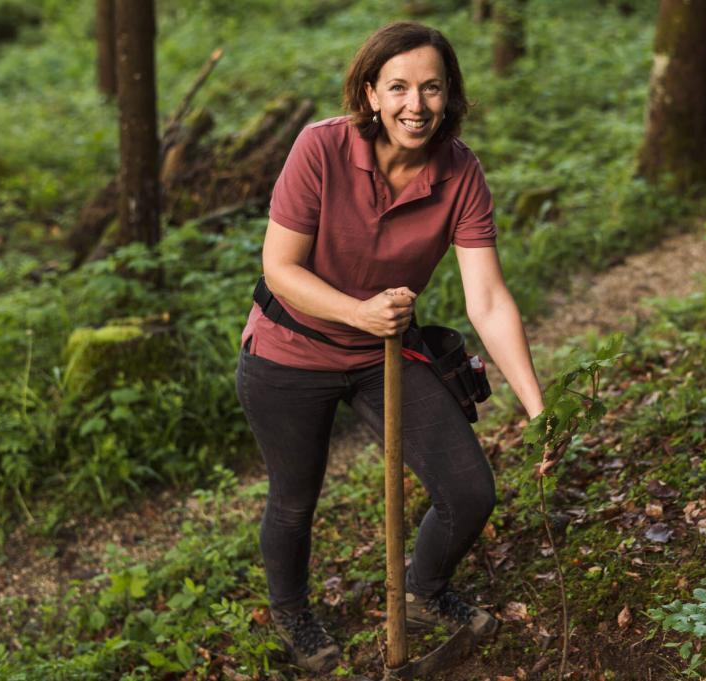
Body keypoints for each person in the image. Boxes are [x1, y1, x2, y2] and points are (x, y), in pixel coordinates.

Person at [235, 21, 544, 673]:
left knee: (469, 489)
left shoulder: (460, 174)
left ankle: (424, 589)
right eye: (399, 87)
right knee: (294, 496)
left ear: (450, 93)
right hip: (288, 350)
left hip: (383, 359)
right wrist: (360, 310)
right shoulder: (320, 148)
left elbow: (486, 298)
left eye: (432, 87)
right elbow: (279, 269)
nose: (416, 104)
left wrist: (539, 408)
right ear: (370, 92)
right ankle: (291, 609)